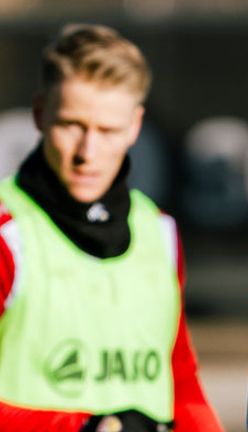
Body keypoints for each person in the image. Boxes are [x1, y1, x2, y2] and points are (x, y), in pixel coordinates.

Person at [0, 24, 223, 431]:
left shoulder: (158, 231)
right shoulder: (7, 233)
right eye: (72, 125)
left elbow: (182, 383)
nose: (88, 152)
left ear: (135, 127)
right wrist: (86, 428)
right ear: (39, 114)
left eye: (108, 131)